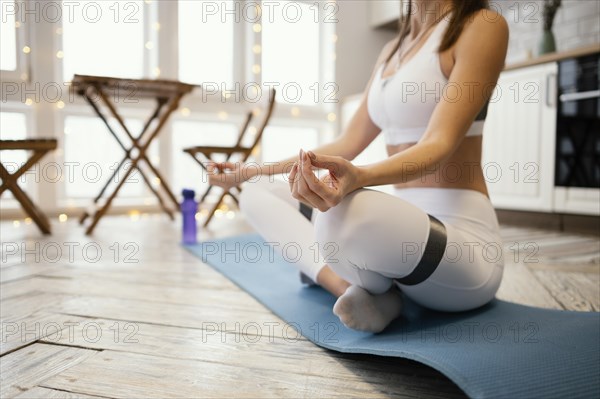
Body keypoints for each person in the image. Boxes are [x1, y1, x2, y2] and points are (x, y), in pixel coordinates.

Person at [208, 0, 509, 333]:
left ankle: (376, 288)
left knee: (342, 210)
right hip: (399, 236)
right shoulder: (393, 49)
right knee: (258, 193)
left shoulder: (480, 25)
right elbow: (346, 143)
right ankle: (360, 294)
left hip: (463, 252)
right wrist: (256, 170)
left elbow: (438, 144)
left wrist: (360, 177)